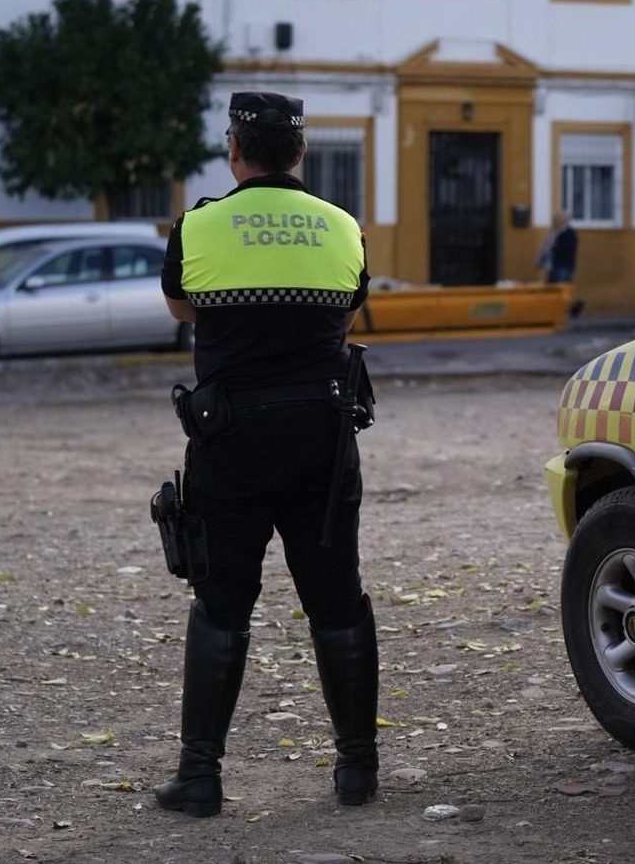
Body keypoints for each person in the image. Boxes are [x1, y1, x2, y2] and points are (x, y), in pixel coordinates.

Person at [154, 91, 379, 816]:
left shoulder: (199, 226)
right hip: (323, 443)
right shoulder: (343, 228)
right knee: (337, 599)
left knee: (221, 605)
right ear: (301, 153)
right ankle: (357, 770)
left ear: (234, 150)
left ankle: (200, 777)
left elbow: (182, 307)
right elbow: (344, 315)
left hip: (232, 443)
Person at [539, 210, 584, 316]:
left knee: (561, 290)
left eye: (559, 219)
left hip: (563, 266)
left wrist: (554, 247)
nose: (556, 221)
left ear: (565, 220)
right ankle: (564, 310)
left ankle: (572, 308)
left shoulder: (569, 233)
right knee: (554, 290)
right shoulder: (556, 232)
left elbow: (567, 249)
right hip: (555, 265)